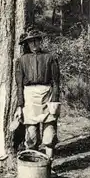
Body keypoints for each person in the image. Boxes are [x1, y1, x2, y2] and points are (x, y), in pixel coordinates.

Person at [14, 26, 61, 162]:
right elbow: (19, 85)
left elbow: (56, 82)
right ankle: (34, 165)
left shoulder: (50, 58)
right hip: (29, 98)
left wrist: (54, 101)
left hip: (47, 96)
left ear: (40, 41)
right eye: (30, 42)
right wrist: (20, 105)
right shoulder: (22, 61)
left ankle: (49, 166)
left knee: (49, 134)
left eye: (36, 41)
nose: (34, 44)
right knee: (32, 135)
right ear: (27, 44)